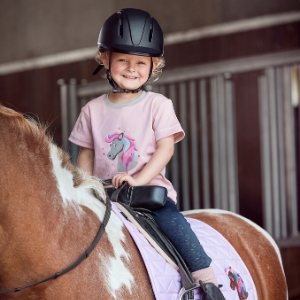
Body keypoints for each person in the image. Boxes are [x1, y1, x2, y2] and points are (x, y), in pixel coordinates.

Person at [69, 8, 225, 300]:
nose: (131, 68)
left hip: (149, 195)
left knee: (173, 224)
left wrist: (139, 180)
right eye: (123, 60)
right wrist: (84, 187)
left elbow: (166, 149)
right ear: (106, 59)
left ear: (153, 65)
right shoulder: (91, 110)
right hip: (105, 198)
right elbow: (86, 155)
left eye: (140, 62)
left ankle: (207, 280)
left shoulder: (158, 104)